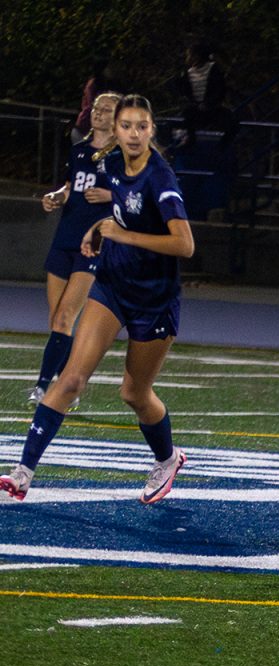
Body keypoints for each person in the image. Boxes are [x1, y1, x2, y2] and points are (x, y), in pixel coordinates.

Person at [1, 95, 194, 503]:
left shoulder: (161, 179)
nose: (134, 134)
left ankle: (167, 457)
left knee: (134, 394)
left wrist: (122, 234)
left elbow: (185, 245)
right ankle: (22, 472)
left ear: (151, 130)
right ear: (118, 131)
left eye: (142, 126)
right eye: (127, 126)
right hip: (111, 283)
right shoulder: (109, 164)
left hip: (154, 298)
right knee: (71, 378)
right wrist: (98, 229)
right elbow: (120, 211)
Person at [27, 92, 120, 408]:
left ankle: (43, 388)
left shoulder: (121, 156)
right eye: (96, 108)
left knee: (67, 314)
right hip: (64, 238)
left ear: (117, 117)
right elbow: (70, 188)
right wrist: (55, 196)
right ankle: (71, 383)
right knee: (57, 320)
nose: (99, 113)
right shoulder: (79, 151)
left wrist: (110, 195)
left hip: (92, 245)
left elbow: (134, 199)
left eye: (106, 109)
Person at [171, 42, 231, 149]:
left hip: (212, 107)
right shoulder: (189, 72)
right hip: (196, 107)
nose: (188, 58)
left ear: (197, 56)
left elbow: (219, 89)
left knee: (232, 122)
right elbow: (183, 91)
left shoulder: (212, 68)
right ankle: (189, 139)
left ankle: (223, 145)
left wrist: (209, 103)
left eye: (190, 55)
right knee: (181, 117)